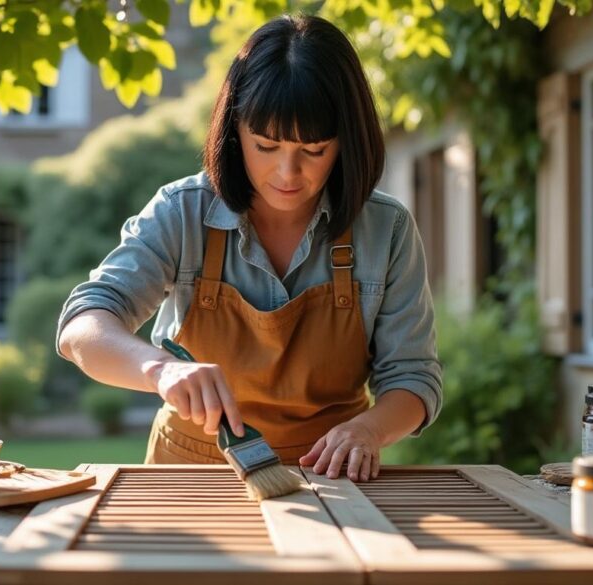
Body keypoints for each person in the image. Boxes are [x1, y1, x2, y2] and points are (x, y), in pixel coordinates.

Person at [57, 14, 441, 482]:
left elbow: (413, 379)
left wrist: (368, 431)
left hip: (331, 476)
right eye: (265, 146)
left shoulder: (386, 228)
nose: (287, 173)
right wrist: (159, 369)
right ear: (234, 131)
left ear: (347, 142)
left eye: (314, 151)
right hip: (188, 477)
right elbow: (83, 325)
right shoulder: (182, 212)